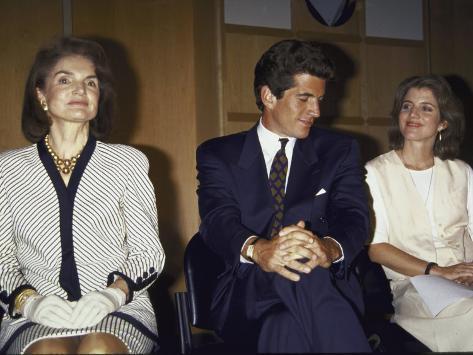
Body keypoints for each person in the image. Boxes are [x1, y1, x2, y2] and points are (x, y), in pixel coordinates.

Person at [196, 39, 371, 353]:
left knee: (285, 326)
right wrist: (260, 249)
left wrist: (329, 249)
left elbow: (355, 217)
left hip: (323, 286)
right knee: (299, 261)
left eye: (319, 99)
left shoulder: (338, 151)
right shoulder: (218, 154)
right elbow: (216, 220)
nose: (316, 111)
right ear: (268, 96)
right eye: (304, 98)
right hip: (246, 289)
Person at [0, 36, 165, 354]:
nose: (81, 90)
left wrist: (113, 294)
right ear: (41, 95)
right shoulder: (7, 170)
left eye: (91, 82)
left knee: (97, 349)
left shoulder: (127, 162)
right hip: (36, 312)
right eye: (65, 80)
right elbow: (1, 258)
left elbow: (149, 254)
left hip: (120, 308)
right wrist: (28, 302)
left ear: (98, 96)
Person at [366, 75, 473, 351]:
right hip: (417, 286)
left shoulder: (461, 172)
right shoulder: (375, 172)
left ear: (443, 122)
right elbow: (377, 249)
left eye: (426, 108)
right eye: (407, 106)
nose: (413, 114)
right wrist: (439, 272)